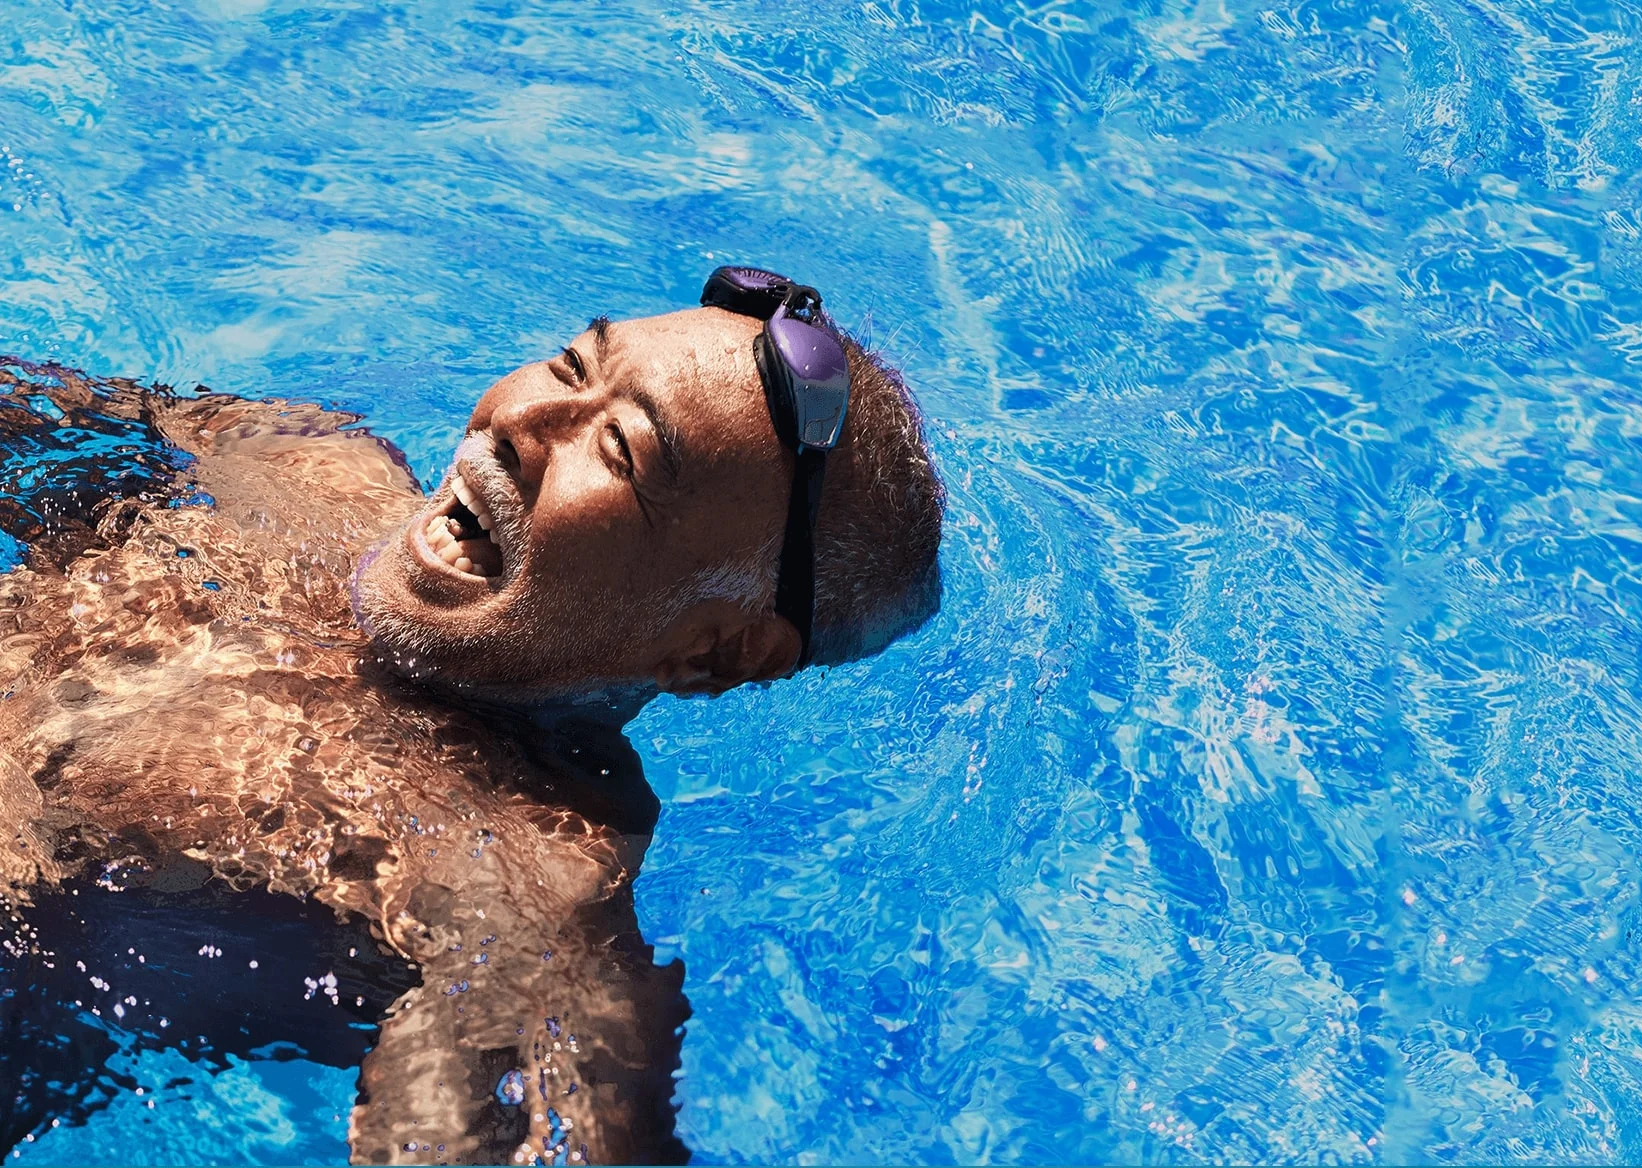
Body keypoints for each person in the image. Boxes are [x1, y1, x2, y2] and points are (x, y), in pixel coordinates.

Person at [0, 269, 944, 1165]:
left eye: (621, 450)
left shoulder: (517, 881)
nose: (518, 419)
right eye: (573, 367)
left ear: (713, 652)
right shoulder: (297, 466)